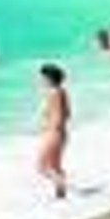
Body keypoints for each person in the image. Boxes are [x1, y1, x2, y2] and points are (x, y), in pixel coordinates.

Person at [37, 63, 70, 199]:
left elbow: (60, 115)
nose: (41, 80)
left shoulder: (53, 93)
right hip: (61, 133)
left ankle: (61, 185)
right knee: (56, 166)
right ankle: (61, 197)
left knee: (42, 167)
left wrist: (52, 129)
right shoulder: (62, 91)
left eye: (43, 77)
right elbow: (68, 113)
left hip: (54, 133)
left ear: (49, 78)